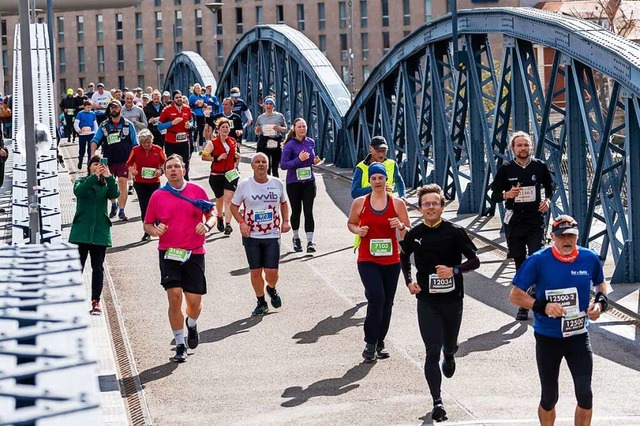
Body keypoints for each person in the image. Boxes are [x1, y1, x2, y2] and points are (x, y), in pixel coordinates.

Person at [509, 215, 608, 426]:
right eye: (562, 236)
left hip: (578, 335)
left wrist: (599, 304)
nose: (567, 240)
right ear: (552, 236)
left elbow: (601, 284)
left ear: (577, 237)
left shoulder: (589, 258)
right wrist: (542, 306)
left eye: (571, 235)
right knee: (549, 397)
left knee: (585, 395)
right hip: (548, 337)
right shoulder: (538, 260)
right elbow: (515, 295)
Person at [399, 183, 480, 422]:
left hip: (452, 299)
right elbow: (404, 255)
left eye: (435, 203)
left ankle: (452, 353)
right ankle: (437, 401)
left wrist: (454, 270)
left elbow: (474, 261)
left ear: (442, 207)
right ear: (421, 208)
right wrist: (409, 281)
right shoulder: (415, 233)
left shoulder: (455, 231)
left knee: (450, 344)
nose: (431, 207)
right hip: (426, 299)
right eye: (426, 204)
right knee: (431, 350)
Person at [143, 154, 216, 363]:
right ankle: (180, 344)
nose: (173, 170)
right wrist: (155, 230)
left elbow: (212, 214)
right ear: (164, 173)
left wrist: (208, 226)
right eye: (169, 167)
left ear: (183, 170)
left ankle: (191, 324)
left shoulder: (197, 191)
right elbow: (147, 224)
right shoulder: (158, 196)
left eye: (177, 166)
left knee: (194, 302)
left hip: (194, 252)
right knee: (174, 296)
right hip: (168, 252)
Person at [347, 163, 410, 362]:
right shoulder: (360, 202)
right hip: (368, 258)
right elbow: (351, 223)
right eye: (373, 178)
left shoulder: (397, 203)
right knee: (376, 297)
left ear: (386, 180)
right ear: (369, 180)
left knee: (387, 302)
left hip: (391, 260)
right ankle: (370, 342)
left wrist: (399, 225)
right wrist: (358, 231)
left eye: (380, 178)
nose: (377, 181)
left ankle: (380, 342)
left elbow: (407, 230)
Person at [491, 131, 554, 320]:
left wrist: (548, 200)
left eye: (526, 145)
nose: (523, 148)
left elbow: (550, 187)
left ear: (531, 147)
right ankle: (523, 304)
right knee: (520, 262)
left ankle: (535, 297)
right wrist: (506, 195)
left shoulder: (539, 166)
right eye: (519, 145)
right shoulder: (506, 169)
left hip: (535, 220)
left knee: (536, 257)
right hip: (515, 221)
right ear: (513, 148)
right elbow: (494, 195)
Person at [230, 153, 291, 316]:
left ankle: (271, 288)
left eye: (264, 161)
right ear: (252, 166)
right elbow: (233, 207)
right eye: (257, 162)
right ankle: (261, 301)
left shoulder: (277, 183)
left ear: (268, 164)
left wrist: (286, 221)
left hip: (272, 234)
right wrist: (241, 223)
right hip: (252, 236)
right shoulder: (244, 185)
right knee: (255, 272)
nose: (261, 164)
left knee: (272, 273)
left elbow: (284, 203)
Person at [69, 155, 120, 315]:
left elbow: (115, 194)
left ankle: (95, 301)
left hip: (100, 231)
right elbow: (79, 192)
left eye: (101, 164)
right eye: (95, 164)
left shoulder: (106, 184)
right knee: (78, 266)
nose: (99, 166)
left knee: (98, 268)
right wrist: (93, 177)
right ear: (90, 166)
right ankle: (74, 299)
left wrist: (109, 177)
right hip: (81, 231)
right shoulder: (82, 181)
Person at [90, 99, 138, 221]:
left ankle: (121, 210)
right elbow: (95, 141)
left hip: (124, 160)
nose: (113, 110)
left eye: (116, 108)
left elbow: (135, 144)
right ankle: (114, 204)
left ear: (120, 109)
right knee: (109, 185)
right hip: (109, 161)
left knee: (123, 183)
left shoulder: (128, 125)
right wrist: (92, 154)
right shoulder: (104, 125)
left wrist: (135, 162)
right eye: (111, 108)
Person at [280, 118, 322, 253]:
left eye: (304, 126)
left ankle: (310, 242)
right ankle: (296, 238)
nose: (302, 129)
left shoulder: (310, 142)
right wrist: (299, 159)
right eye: (299, 127)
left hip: (309, 181)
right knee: (296, 211)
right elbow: (284, 165)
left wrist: (315, 161)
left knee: (309, 211)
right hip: (294, 183)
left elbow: (311, 160)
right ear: (294, 128)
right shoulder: (289, 145)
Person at [202, 117, 240, 235]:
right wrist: (216, 158)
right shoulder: (212, 143)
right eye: (222, 127)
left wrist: (237, 161)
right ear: (218, 130)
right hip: (216, 175)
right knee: (220, 199)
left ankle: (228, 224)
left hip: (230, 174)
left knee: (228, 200)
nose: (225, 129)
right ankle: (220, 217)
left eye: (227, 127)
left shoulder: (233, 141)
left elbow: (235, 157)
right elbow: (204, 156)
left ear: (229, 129)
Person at [126, 129, 166, 241]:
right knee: (144, 207)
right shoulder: (136, 150)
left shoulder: (157, 149)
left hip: (154, 182)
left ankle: (159, 228)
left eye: (148, 142)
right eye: (144, 143)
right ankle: (147, 231)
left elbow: (164, 162)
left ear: (151, 141)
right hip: (140, 183)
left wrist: (160, 170)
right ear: (140, 142)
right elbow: (128, 163)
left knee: (156, 205)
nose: (147, 145)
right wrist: (132, 169)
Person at [351, 136, 407, 200]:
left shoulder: (392, 164)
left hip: (387, 204)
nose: (381, 154)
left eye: (384, 151)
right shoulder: (361, 167)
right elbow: (354, 193)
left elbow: (398, 181)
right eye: (378, 151)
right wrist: (376, 188)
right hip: (367, 206)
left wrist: (403, 196)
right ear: (370, 148)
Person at [158, 90, 194, 179]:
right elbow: (159, 126)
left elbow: (191, 120)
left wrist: (190, 125)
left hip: (184, 141)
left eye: (180, 97)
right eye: (176, 98)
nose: (179, 99)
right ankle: (172, 183)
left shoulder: (187, 108)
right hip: (171, 141)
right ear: (173, 99)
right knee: (172, 164)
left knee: (185, 164)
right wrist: (172, 123)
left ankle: (185, 184)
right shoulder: (167, 109)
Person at [254, 97, 287, 177]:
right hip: (264, 141)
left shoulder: (279, 116)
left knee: (275, 166)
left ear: (273, 106)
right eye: (267, 104)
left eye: (271, 104)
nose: (268, 106)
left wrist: (279, 128)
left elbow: (285, 129)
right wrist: (257, 130)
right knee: (266, 164)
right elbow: (256, 132)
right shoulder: (260, 117)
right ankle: (266, 181)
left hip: (275, 140)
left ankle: (275, 182)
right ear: (264, 105)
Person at [74, 100, 98, 169]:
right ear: (84, 107)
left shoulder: (92, 114)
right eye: (87, 107)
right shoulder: (80, 114)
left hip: (90, 134)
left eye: (90, 107)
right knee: (82, 149)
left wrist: (96, 133)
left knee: (90, 150)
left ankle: (89, 163)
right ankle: (80, 160)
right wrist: (78, 130)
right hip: (82, 135)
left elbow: (95, 124)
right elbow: (76, 123)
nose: (89, 109)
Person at [188, 83, 207, 152]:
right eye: (197, 88)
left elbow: (205, 104)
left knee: (201, 131)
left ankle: (201, 147)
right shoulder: (192, 97)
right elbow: (189, 106)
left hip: (202, 115)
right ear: (194, 89)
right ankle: (195, 144)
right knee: (196, 130)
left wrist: (205, 105)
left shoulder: (203, 97)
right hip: (195, 115)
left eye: (199, 88)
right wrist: (194, 104)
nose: (198, 89)